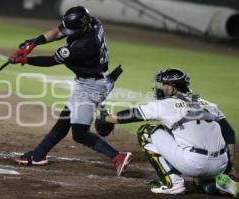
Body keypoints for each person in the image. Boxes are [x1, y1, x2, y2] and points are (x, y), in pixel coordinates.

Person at [10, 6, 132, 176]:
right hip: (89, 82)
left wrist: (25, 59)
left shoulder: (84, 46)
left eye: (72, 30)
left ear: (83, 27)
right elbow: (57, 32)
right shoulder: (93, 22)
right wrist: (33, 42)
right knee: (64, 121)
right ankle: (39, 155)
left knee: (79, 133)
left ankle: (118, 156)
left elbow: (51, 60)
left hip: (92, 87)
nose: (68, 32)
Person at [96, 68, 238, 196]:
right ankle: (219, 184)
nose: (162, 88)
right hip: (220, 164)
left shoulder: (166, 104)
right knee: (201, 183)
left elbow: (133, 115)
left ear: (172, 87)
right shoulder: (210, 104)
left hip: (195, 164)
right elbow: (229, 133)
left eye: (164, 85)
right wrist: (229, 165)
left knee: (146, 132)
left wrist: (107, 118)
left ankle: (173, 184)